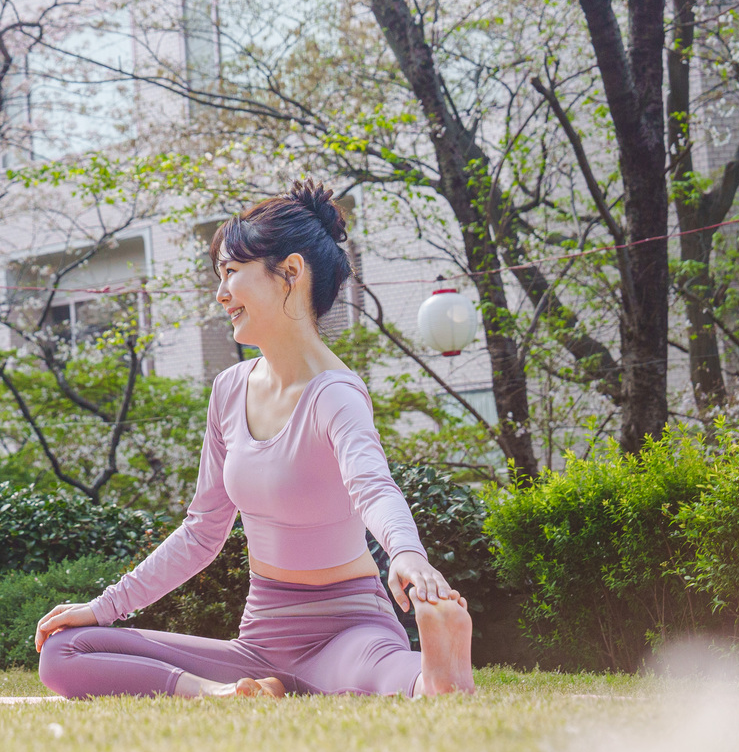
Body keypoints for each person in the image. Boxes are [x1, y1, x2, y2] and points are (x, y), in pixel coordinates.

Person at [34, 179, 474, 698]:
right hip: (259, 645)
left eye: (232, 272)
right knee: (67, 649)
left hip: (348, 632)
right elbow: (202, 532)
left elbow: (373, 487)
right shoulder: (229, 390)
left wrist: (407, 554)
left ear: (290, 272)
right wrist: (103, 607)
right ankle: (222, 695)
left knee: (380, 672)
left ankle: (436, 677)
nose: (221, 293)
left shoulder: (336, 394)